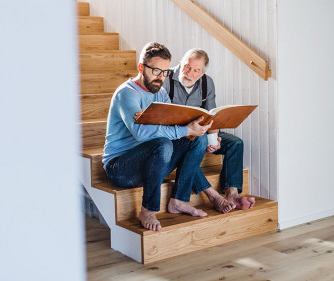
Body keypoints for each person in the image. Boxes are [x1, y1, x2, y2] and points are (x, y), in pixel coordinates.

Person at [102, 42, 213, 231]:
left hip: (151, 163)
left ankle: (178, 200)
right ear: (140, 68)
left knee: (198, 139)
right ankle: (148, 209)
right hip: (120, 167)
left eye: (165, 72)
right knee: (162, 144)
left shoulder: (160, 93)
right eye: (155, 71)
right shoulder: (127, 94)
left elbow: (169, 126)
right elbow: (142, 134)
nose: (160, 77)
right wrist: (168, 128)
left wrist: (188, 129)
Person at [162, 48, 256, 213]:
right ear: (180, 62)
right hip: (175, 135)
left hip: (200, 132)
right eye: (186, 66)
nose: (189, 72)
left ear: (203, 72)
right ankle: (212, 196)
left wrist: (213, 141)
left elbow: (212, 116)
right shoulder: (165, 78)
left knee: (235, 144)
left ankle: (231, 193)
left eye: (196, 70)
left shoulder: (207, 83)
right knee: (190, 148)